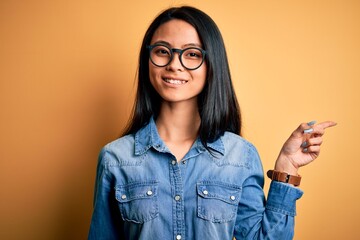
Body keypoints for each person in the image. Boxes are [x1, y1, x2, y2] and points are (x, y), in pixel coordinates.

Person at [88, 6, 336, 240]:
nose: (175, 65)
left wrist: (288, 166)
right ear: (148, 59)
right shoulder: (115, 158)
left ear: (211, 64)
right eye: (162, 51)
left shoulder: (241, 155)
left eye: (192, 54)